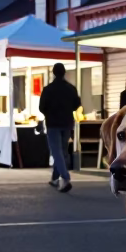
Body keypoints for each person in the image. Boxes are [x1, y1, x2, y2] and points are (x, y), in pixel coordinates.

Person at [38, 62, 81, 193]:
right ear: (64, 73)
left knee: (56, 151)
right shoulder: (71, 88)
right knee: (62, 151)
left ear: (53, 73)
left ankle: (65, 178)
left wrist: (49, 113)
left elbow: (41, 107)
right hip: (67, 123)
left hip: (53, 123)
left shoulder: (48, 89)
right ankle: (55, 178)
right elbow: (76, 105)